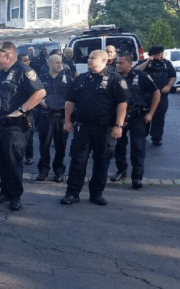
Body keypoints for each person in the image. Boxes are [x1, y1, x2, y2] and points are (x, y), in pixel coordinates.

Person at [61, 50, 129, 206]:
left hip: (105, 129)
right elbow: (70, 101)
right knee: (77, 161)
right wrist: (67, 121)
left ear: (104, 60)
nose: (89, 60)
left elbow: (122, 103)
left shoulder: (115, 79)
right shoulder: (82, 79)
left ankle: (96, 193)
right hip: (83, 127)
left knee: (101, 162)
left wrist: (118, 125)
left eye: (93, 58)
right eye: (89, 57)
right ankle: (72, 193)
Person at [0, 42, 46, 211]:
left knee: (13, 161)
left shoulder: (24, 71)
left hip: (15, 126)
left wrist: (21, 110)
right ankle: (4, 190)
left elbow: (40, 93)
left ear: (8, 55)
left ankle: (15, 196)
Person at [110, 53, 160, 188]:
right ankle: (121, 171)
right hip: (120, 118)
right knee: (119, 147)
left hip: (138, 117)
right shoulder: (113, 77)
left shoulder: (141, 76)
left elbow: (157, 92)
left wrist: (151, 113)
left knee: (138, 148)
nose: (118, 65)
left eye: (121, 63)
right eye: (117, 63)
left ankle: (137, 177)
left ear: (130, 63)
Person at [35, 55, 73, 182]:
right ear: (49, 64)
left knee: (60, 146)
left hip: (61, 117)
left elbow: (73, 98)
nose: (59, 65)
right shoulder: (41, 79)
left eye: (60, 62)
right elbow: (34, 94)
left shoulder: (68, 79)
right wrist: (41, 102)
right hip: (46, 116)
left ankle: (59, 171)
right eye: (56, 62)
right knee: (44, 145)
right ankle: (43, 170)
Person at [134, 46, 176, 146]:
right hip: (146, 96)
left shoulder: (166, 64)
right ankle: (143, 135)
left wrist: (169, 86)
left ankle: (156, 137)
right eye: (157, 53)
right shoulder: (144, 63)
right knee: (145, 116)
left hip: (162, 96)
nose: (160, 55)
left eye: (161, 53)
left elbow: (173, 76)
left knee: (159, 117)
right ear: (151, 54)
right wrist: (148, 61)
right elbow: (136, 71)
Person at [19, 54, 35, 165]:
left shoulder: (31, 74)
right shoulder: (16, 74)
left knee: (29, 135)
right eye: (25, 60)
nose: (27, 62)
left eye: (28, 60)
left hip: (28, 110)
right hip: (15, 110)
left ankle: (29, 156)